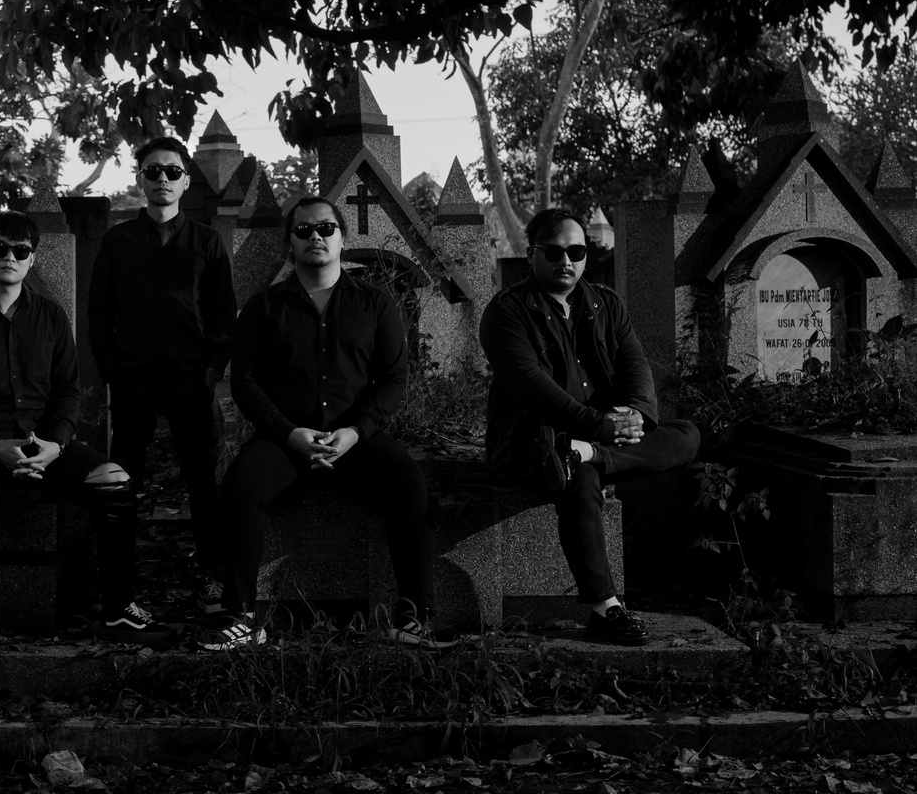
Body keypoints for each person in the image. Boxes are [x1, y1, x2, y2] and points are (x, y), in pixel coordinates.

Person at [0, 210, 178, 653]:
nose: (9, 257)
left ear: (32, 259)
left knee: (116, 482)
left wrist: (55, 446)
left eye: (20, 250)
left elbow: (68, 392)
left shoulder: (52, 316)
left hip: (46, 442)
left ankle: (119, 608)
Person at [201, 196, 445, 650]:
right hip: (284, 439)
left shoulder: (374, 303)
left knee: (410, 483)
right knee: (240, 486)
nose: (315, 236)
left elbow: (393, 379)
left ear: (342, 238)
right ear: (290, 242)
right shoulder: (263, 307)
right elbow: (246, 383)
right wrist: (289, 432)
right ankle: (241, 617)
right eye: (304, 230)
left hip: (355, 439)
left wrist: (355, 431)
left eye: (326, 228)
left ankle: (414, 618)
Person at [479, 207, 701, 646]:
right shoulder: (507, 312)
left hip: (596, 438)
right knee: (579, 477)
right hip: (533, 440)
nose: (566, 261)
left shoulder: (605, 303)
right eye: (554, 252)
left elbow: (634, 365)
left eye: (576, 252)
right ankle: (605, 609)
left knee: (686, 435)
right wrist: (600, 426)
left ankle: (589, 454)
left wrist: (637, 416)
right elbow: (534, 389)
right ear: (531, 254)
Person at [88, 136, 237, 614]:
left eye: (172, 172)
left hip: (190, 380)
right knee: (121, 481)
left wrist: (210, 373)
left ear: (186, 181)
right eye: (152, 171)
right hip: (132, 379)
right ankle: (119, 588)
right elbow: (98, 314)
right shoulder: (118, 242)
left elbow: (223, 315)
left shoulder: (207, 242)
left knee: (202, 481)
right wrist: (113, 372)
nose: (162, 180)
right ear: (140, 179)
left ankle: (213, 578)